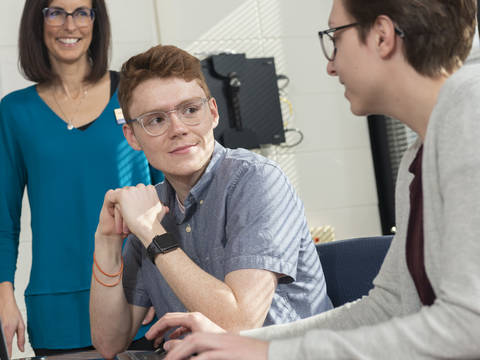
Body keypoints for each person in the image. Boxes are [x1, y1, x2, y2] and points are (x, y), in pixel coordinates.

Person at [145, 0, 480, 359]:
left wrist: (270, 355)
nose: (330, 65)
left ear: (382, 36)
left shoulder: (470, 114)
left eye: (335, 38)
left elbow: (469, 327)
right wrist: (247, 343)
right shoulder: (419, 154)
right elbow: (392, 304)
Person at [89, 45, 332, 359]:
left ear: (213, 112)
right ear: (132, 137)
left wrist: (152, 233)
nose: (179, 129)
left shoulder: (257, 180)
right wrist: (107, 241)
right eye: (156, 119)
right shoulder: (154, 206)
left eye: (190, 110)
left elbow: (240, 327)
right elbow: (109, 343)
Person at [0, 0, 162, 356]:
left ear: (96, 22)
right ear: (38, 21)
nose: (71, 25)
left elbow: (170, 194)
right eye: (56, 12)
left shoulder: (134, 94)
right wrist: (3, 300)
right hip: (58, 312)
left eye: (82, 12)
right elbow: (4, 222)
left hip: (140, 300)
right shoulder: (15, 112)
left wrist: (168, 281)